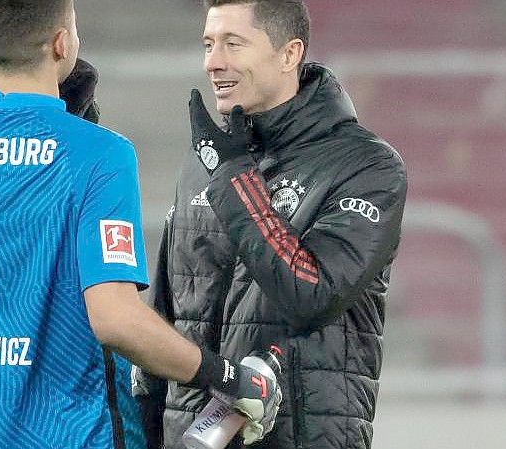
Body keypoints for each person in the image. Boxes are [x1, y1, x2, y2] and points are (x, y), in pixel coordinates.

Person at [0, 1, 283, 448]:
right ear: (62, 43)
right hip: (73, 435)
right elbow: (115, 319)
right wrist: (228, 377)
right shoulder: (95, 153)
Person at [132, 1, 408, 448]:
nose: (213, 62)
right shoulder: (210, 162)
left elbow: (312, 294)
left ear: (288, 54)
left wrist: (234, 176)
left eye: (233, 44)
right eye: (208, 44)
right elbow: (169, 313)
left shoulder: (367, 166)